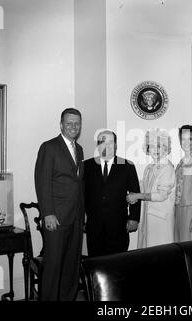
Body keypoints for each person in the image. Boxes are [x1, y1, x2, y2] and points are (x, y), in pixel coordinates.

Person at [34, 108, 84, 301]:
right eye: (69, 123)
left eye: (77, 123)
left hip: (76, 217)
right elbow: (42, 181)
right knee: (54, 267)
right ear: (61, 124)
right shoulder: (49, 147)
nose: (74, 126)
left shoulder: (79, 149)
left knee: (71, 266)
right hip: (56, 218)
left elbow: (78, 183)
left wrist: (83, 211)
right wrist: (48, 213)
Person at [84, 130, 141, 257]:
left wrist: (134, 218)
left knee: (118, 263)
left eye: (110, 142)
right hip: (94, 226)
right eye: (102, 142)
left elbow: (135, 193)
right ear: (98, 146)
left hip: (119, 226)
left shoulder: (127, 166)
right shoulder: (86, 166)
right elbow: (81, 195)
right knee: (95, 263)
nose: (107, 145)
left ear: (116, 145)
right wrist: (81, 219)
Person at [127, 129, 176, 248]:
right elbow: (142, 187)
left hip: (161, 220)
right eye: (152, 147)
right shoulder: (148, 168)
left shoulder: (167, 168)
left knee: (161, 255)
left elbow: (161, 195)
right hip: (148, 219)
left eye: (159, 146)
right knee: (148, 254)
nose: (155, 150)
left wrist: (137, 196)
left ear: (166, 148)